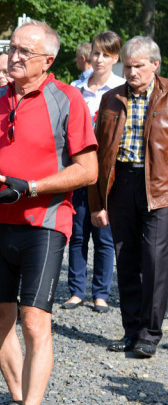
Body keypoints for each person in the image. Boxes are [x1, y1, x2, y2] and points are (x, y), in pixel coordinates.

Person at [0, 19, 96, 405]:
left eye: (24, 51)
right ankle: (21, 401)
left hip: (45, 219)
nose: (14, 57)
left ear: (47, 60)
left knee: (34, 319)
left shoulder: (68, 99)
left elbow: (88, 170)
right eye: (13, 48)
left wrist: (33, 186)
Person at [88, 36, 168, 359]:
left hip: (159, 189)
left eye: (138, 66)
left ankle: (150, 333)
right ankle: (132, 330)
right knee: (127, 259)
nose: (131, 72)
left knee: (154, 261)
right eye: (128, 66)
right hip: (120, 185)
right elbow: (96, 154)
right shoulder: (110, 99)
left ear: (155, 65)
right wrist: (96, 203)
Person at [64, 31, 124, 312]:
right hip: (77, 168)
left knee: (104, 236)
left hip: (106, 174)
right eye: (96, 53)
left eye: (106, 54)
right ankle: (76, 291)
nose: (99, 59)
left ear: (115, 58)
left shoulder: (121, 90)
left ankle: (100, 293)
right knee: (77, 235)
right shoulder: (74, 88)